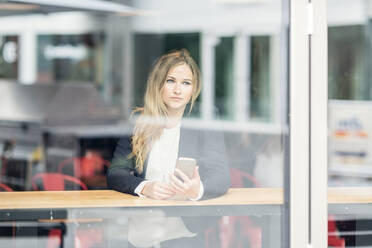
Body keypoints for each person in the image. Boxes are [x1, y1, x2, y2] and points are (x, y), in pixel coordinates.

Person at [107, 49, 230, 248]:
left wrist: (196, 189)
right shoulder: (139, 121)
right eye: (171, 80)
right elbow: (115, 173)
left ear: (194, 89)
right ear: (158, 83)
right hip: (141, 235)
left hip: (185, 235)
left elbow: (221, 175)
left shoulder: (204, 121)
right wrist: (146, 187)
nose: (178, 90)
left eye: (186, 83)